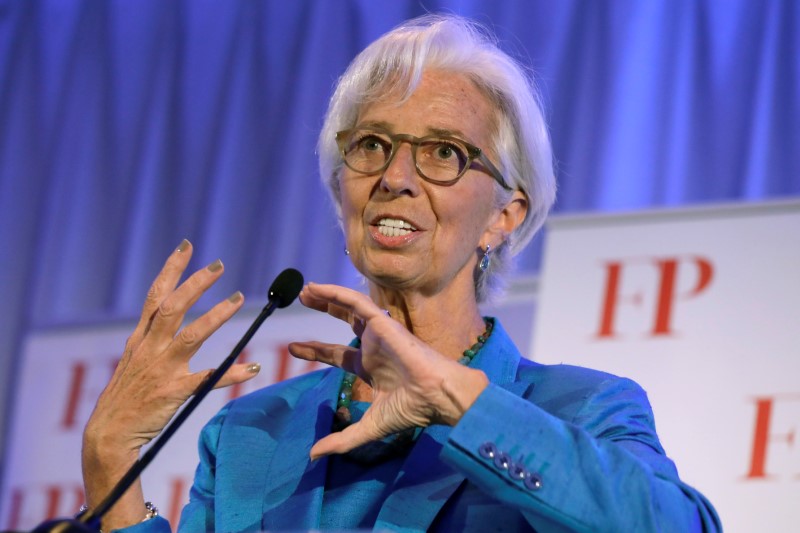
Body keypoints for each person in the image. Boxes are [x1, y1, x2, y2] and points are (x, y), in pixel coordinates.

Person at [81, 14, 721, 532]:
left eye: (444, 152)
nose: (394, 178)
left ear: (506, 214)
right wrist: (109, 459)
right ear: (341, 193)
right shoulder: (248, 434)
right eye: (371, 146)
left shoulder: (582, 408)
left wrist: (457, 402)